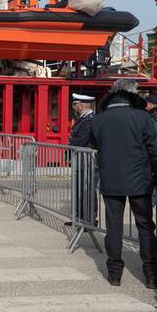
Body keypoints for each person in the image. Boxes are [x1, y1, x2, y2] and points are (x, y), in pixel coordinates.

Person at [91, 79, 157, 289]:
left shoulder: (99, 119)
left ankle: (114, 274)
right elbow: (155, 151)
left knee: (114, 226)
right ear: (131, 94)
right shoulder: (141, 117)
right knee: (145, 225)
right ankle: (151, 274)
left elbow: (95, 144)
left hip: (111, 178)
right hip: (140, 179)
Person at [66, 93, 96, 226]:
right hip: (80, 159)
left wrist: (70, 143)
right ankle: (79, 217)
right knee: (79, 189)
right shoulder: (83, 119)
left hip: (86, 160)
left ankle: (88, 219)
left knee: (86, 190)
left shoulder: (89, 120)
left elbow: (80, 140)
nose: (73, 107)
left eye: (75, 104)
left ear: (81, 105)